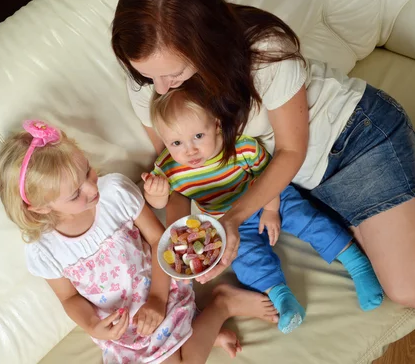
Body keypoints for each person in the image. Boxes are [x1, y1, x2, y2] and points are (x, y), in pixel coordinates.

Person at [111, 0, 415, 312]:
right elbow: (182, 171)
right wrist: (194, 235)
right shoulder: (148, 77)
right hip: (309, 180)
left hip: (355, 140)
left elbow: (291, 151)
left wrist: (233, 220)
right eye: (148, 77)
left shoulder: (263, 51)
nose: (159, 88)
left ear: (205, 43)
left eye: (173, 74)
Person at [0, 119, 280, 363]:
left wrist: (157, 299)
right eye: (75, 194)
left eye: (87, 172)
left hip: (159, 287)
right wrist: (94, 326)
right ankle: (201, 333)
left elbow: (160, 240)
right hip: (122, 324)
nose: (91, 187)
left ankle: (222, 305)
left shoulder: (114, 193)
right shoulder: (44, 249)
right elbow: (69, 298)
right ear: (42, 207)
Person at [141, 82, 383, 333]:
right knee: (245, 260)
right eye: (176, 143)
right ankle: (283, 299)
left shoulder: (240, 147)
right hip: (226, 223)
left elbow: (269, 176)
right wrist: (156, 193)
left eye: (198, 137)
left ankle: (356, 264)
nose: (189, 150)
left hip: (266, 199)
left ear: (216, 124)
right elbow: (162, 201)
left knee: (307, 219)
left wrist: (270, 210)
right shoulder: (169, 167)